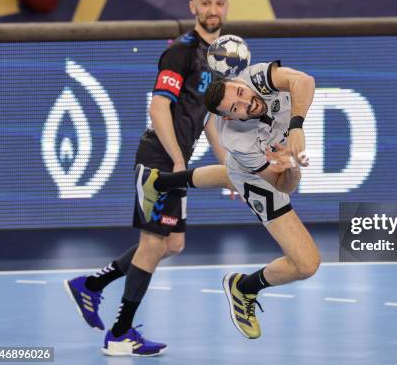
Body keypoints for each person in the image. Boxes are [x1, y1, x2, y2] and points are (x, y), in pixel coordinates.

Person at [64, 0, 231, 356]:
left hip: (176, 160)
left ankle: (90, 285)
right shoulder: (181, 51)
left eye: (220, 3)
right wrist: (175, 160)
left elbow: (206, 119)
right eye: (206, 2)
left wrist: (228, 166)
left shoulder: (218, 58)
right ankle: (120, 334)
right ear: (193, 7)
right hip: (160, 157)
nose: (213, 9)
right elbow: (159, 108)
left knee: (172, 243)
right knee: (154, 243)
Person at [136, 60, 321, 339]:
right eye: (236, 107)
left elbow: (304, 80)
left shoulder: (254, 79)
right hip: (256, 173)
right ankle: (244, 287)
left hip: (263, 153)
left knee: (228, 175)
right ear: (230, 118)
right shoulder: (239, 141)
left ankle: (158, 182)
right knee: (307, 264)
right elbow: (283, 186)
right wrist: (291, 166)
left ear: (239, 83)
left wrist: (296, 127)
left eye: (240, 93)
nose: (246, 102)